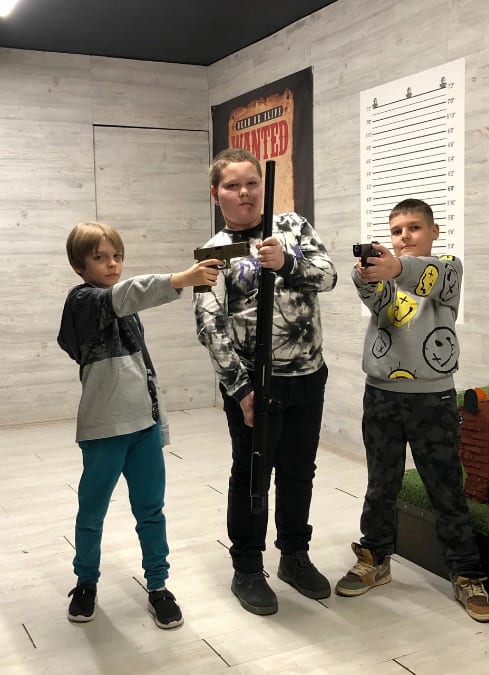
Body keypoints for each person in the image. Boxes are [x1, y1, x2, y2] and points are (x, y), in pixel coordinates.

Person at [335, 198, 489, 623]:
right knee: (380, 484)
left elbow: (428, 277)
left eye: (413, 227)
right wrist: (364, 274)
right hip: (381, 395)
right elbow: (371, 294)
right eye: (396, 231)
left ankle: (466, 573)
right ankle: (375, 557)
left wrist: (395, 267)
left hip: (433, 398)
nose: (404, 236)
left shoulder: (448, 270)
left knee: (446, 488)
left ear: (434, 231)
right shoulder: (386, 280)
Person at [193, 148, 337, 615]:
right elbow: (209, 324)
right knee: (252, 472)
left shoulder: (292, 226)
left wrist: (288, 262)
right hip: (255, 388)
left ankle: (294, 555)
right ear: (216, 194)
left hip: (308, 376)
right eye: (233, 186)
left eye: (252, 183)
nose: (245, 193)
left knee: (299, 471)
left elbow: (329, 276)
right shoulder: (213, 252)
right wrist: (241, 391)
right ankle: (248, 567)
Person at [57, 221, 221, 628]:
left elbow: (144, 370)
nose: (112, 264)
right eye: (100, 258)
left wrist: (158, 425)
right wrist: (181, 279)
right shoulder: (83, 301)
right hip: (103, 431)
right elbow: (128, 293)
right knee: (91, 512)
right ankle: (86, 582)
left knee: (151, 510)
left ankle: (158, 585)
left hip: (143, 430)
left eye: (117, 256)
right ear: (79, 266)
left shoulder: (126, 312)